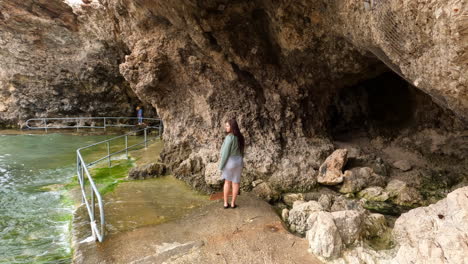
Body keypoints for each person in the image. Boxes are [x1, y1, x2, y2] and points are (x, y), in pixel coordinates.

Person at [219, 118, 245, 209]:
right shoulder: (240, 137)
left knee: (227, 182)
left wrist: (221, 166)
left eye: (227, 126)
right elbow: (242, 152)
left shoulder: (229, 137)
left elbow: (225, 153)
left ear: (232, 126)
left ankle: (226, 203)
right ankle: (233, 203)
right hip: (239, 162)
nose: (225, 127)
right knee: (236, 183)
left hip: (230, 162)